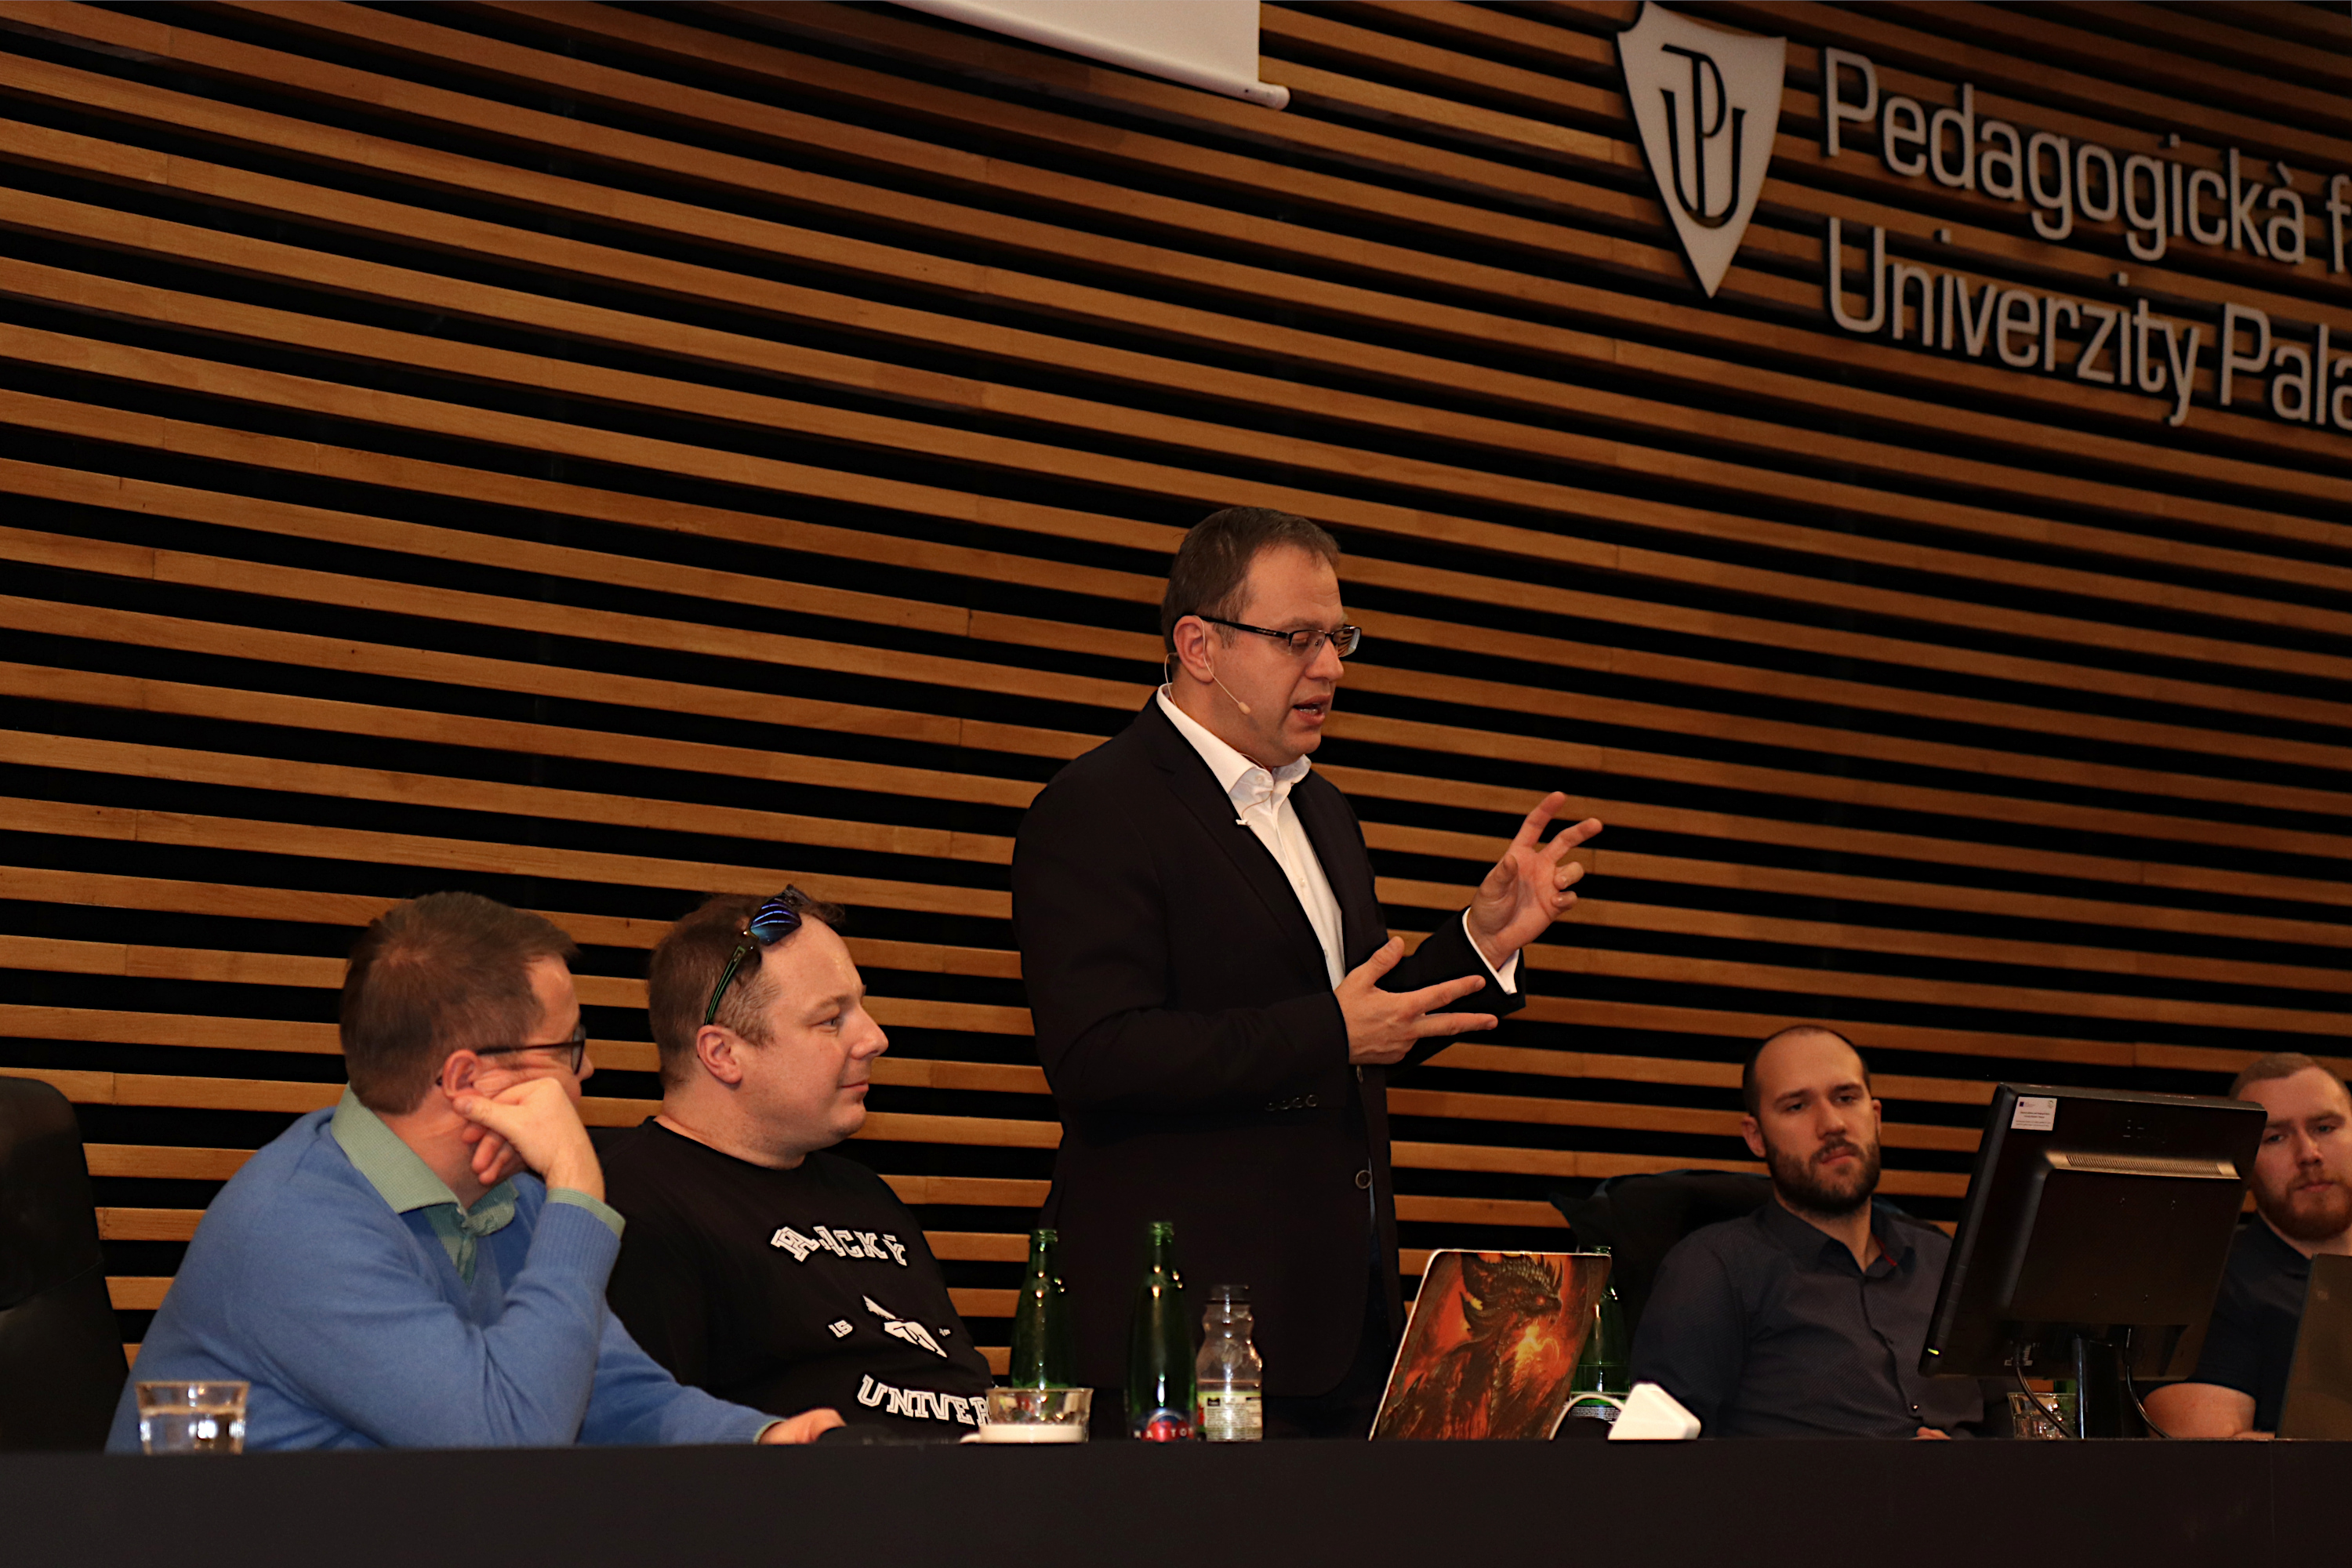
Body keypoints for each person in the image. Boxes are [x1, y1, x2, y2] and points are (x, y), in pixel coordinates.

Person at [1011, 506, 1601, 1436]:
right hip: (1184, 1336)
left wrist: (1482, 938)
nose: (1330, 666)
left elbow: (1362, 1025)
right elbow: (1096, 1053)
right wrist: (1331, 1028)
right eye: (1298, 638)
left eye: (1339, 638)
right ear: (1199, 646)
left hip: (1342, 1329)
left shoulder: (1323, 810)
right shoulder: (1098, 806)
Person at [107, 891, 840, 1451]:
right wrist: (578, 1188)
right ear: (469, 1079)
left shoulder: (507, 1198)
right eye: (569, 1045)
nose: (589, 1067)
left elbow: (607, 1390)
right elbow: (506, 1445)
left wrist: (758, 1441)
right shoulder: (296, 1228)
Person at [601, 890, 994, 1436]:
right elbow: (644, 1438)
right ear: (723, 1054)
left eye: (861, 1007)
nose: (875, 1038)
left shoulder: (865, 1192)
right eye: (831, 1019)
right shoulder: (634, 1205)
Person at [1628, 1024, 1986, 1438]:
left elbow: (2015, 1422)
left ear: (1875, 1118)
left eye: (1846, 1098)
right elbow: (1658, 1454)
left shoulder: (1944, 1264)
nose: (1832, 1124)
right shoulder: (1715, 1270)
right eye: (1797, 1106)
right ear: (1756, 1137)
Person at [2144, 1053, 2352, 1439]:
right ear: (2245, 1162)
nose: (2309, 1154)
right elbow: (2207, 1455)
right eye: (2275, 1138)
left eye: (2325, 1128)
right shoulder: (2207, 1284)